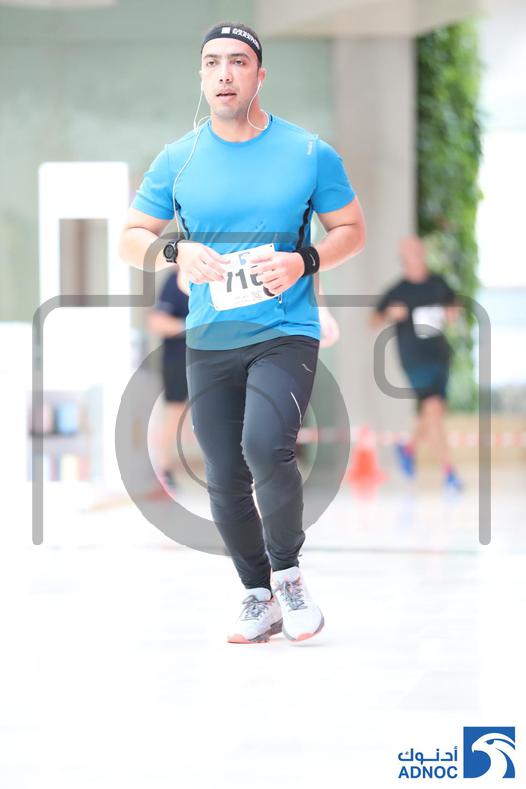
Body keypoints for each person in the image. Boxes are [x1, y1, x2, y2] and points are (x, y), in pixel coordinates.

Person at [119, 22, 366, 644]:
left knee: (265, 445)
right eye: (212, 62)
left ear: (260, 75)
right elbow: (130, 238)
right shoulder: (179, 158)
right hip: (209, 335)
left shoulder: (308, 152)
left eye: (237, 61)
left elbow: (351, 230)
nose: (223, 73)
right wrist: (175, 252)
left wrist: (305, 261)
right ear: (201, 77)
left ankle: (289, 576)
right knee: (224, 471)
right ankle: (258, 594)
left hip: (286, 328)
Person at [371, 236, 463, 490]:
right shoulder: (397, 291)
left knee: (433, 410)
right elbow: (373, 319)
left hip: (440, 356)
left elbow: (454, 305)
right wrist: (389, 313)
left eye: (417, 248)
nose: (415, 253)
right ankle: (449, 472)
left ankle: (408, 448)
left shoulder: (438, 283)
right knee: (433, 407)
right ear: (403, 257)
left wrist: (453, 313)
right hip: (414, 360)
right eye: (409, 250)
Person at [147, 269, 189, 491]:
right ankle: (163, 470)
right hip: (179, 359)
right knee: (174, 415)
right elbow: (157, 322)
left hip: (216, 359)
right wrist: (193, 326)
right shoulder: (174, 282)